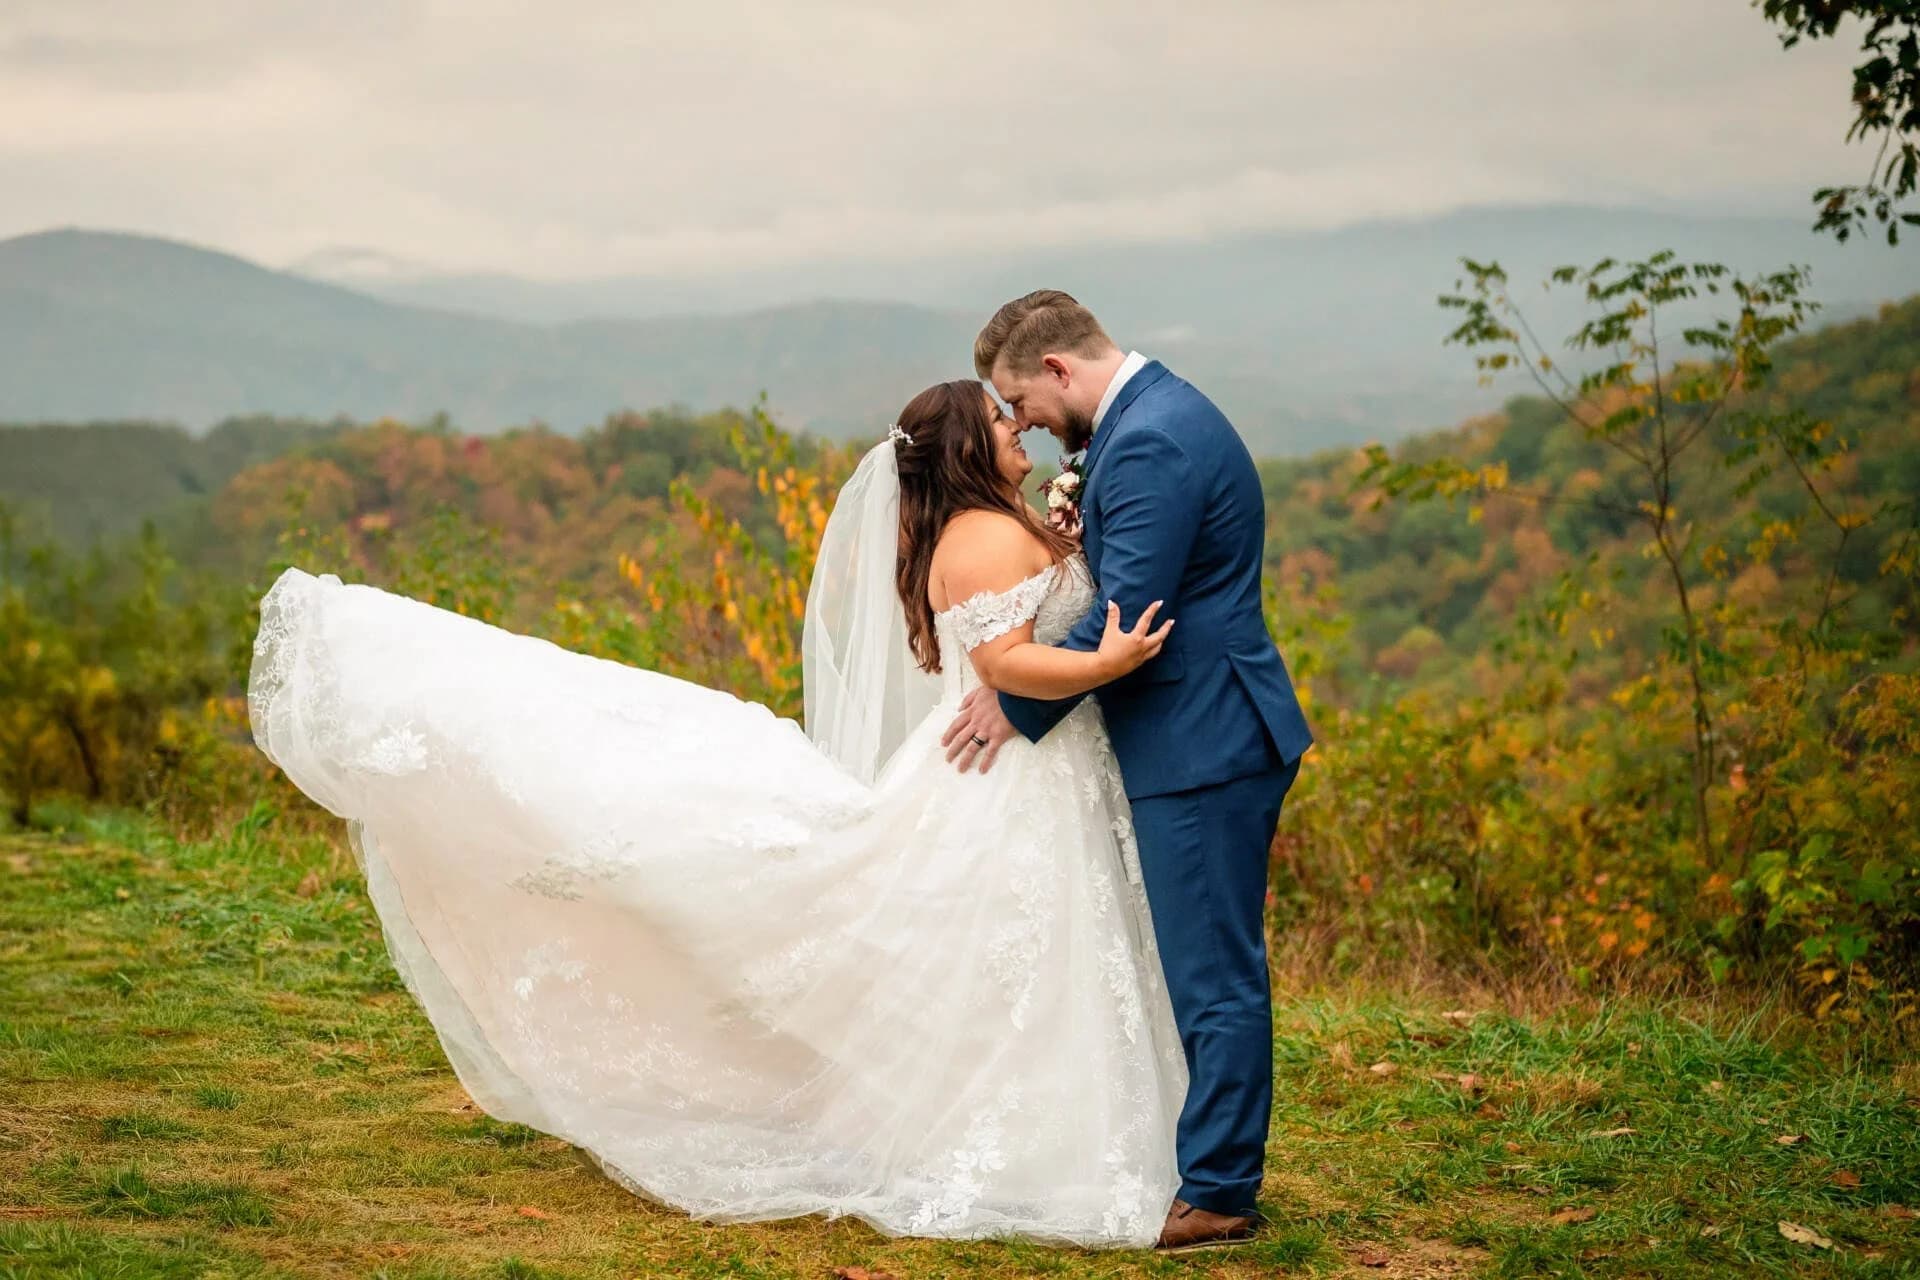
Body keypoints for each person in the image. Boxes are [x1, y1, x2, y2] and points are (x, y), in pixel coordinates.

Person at [247, 378, 1190, 1248]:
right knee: (1003, 951)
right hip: (1001, 776)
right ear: (965, 449)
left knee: (1008, 955)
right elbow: (1005, 667)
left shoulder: (995, 519)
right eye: (998, 418)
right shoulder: (984, 536)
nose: (1015, 425)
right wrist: (1110, 663)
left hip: (1026, 769)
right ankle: (1021, 1139)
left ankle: (1031, 1126)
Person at [943, 290, 1313, 1251]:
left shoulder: (1149, 442)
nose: (1020, 421)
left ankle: (1221, 1191)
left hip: (1200, 740)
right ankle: (1208, 1164)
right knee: (1204, 963)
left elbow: (1128, 621)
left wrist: (1013, 696)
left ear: (1060, 370)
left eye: (1021, 399)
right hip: (1204, 731)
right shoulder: (1158, 416)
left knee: (1212, 972)